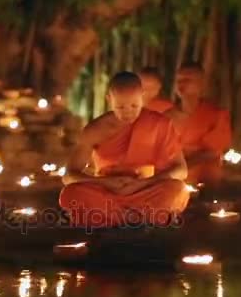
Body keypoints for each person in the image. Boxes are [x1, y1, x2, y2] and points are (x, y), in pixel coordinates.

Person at [59, 71, 189, 228]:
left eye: (134, 105)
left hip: (145, 189)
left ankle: (110, 219)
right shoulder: (95, 129)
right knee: (70, 194)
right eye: (120, 106)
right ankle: (142, 219)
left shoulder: (159, 123)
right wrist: (106, 182)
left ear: (142, 96)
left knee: (177, 189)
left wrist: (144, 183)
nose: (128, 112)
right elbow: (69, 176)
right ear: (109, 99)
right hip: (107, 192)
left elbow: (181, 170)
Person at [167, 63, 231, 186]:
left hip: (203, 176)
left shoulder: (217, 115)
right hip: (173, 175)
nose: (181, 84)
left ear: (201, 84)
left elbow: (213, 151)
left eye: (187, 80)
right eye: (178, 80)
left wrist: (183, 166)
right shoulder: (167, 117)